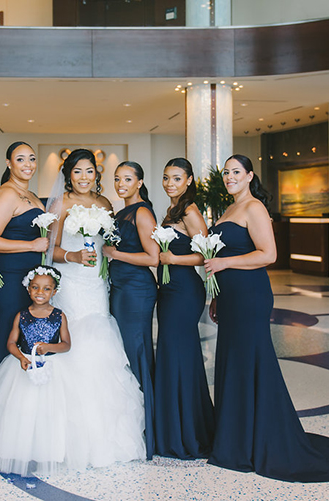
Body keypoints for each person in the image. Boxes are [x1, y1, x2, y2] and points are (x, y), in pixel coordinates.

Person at [205, 154, 329, 482]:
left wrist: (224, 266)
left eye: (236, 172)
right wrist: (216, 295)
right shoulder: (227, 209)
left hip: (250, 295)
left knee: (252, 362)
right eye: (226, 172)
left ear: (250, 175)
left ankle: (256, 439)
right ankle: (234, 438)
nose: (229, 177)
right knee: (233, 362)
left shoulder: (253, 207)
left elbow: (269, 254)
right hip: (230, 296)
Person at [47, 148, 146, 469]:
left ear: (96, 174)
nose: (84, 177)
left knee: (101, 344)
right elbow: (50, 250)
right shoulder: (61, 204)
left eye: (89, 171)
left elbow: (111, 244)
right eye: (77, 172)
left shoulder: (105, 205)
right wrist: (73, 257)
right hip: (72, 282)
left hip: (97, 285)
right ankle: (68, 434)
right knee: (75, 344)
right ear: (68, 175)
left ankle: (108, 431)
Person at [0, 266, 71, 476]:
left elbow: (66, 344)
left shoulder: (59, 316)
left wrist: (49, 347)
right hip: (24, 367)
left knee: (48, 411)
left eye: (46, 289)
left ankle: (46, 451)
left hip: (51, 368)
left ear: (54, 292)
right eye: (35, 287)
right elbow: (11, 343)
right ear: (28, 289)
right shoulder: (21, 315)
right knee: (22, 410)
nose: (40, 292)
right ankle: (22, 450)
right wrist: (22, 357)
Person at [154, 157, 215, 459]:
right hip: (168, 289)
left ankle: (186, 433)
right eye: (166, 177)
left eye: (176, 178)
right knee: (173, 353)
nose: (170, 183)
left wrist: (173, 260)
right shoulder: (171, 210)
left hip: (184, 289)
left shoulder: (190, 211)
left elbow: (207, 255)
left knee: (179, 354)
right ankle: (174, 426)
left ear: (189, 180)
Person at [103, 161, 160, 460]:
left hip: (137, 289)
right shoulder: (120, 211)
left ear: (139, 182)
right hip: (121, 287)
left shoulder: (142, 212)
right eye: (117, 179)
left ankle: (145, 424)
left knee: (135, 350)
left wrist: (114, 254)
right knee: (123, 351)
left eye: (127, 179)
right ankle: (128, 418)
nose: (121, 183)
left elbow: (154, 257)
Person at [0, 141, 48, 368]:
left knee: (27, 330)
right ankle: (1, 392)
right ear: (9, 163)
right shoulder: (6, 194)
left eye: (31, 158)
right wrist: (31, 246)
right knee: (12, 328)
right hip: (10, 275)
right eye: (20, 159)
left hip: (29, 274)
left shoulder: (29, 194)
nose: (28, 164)